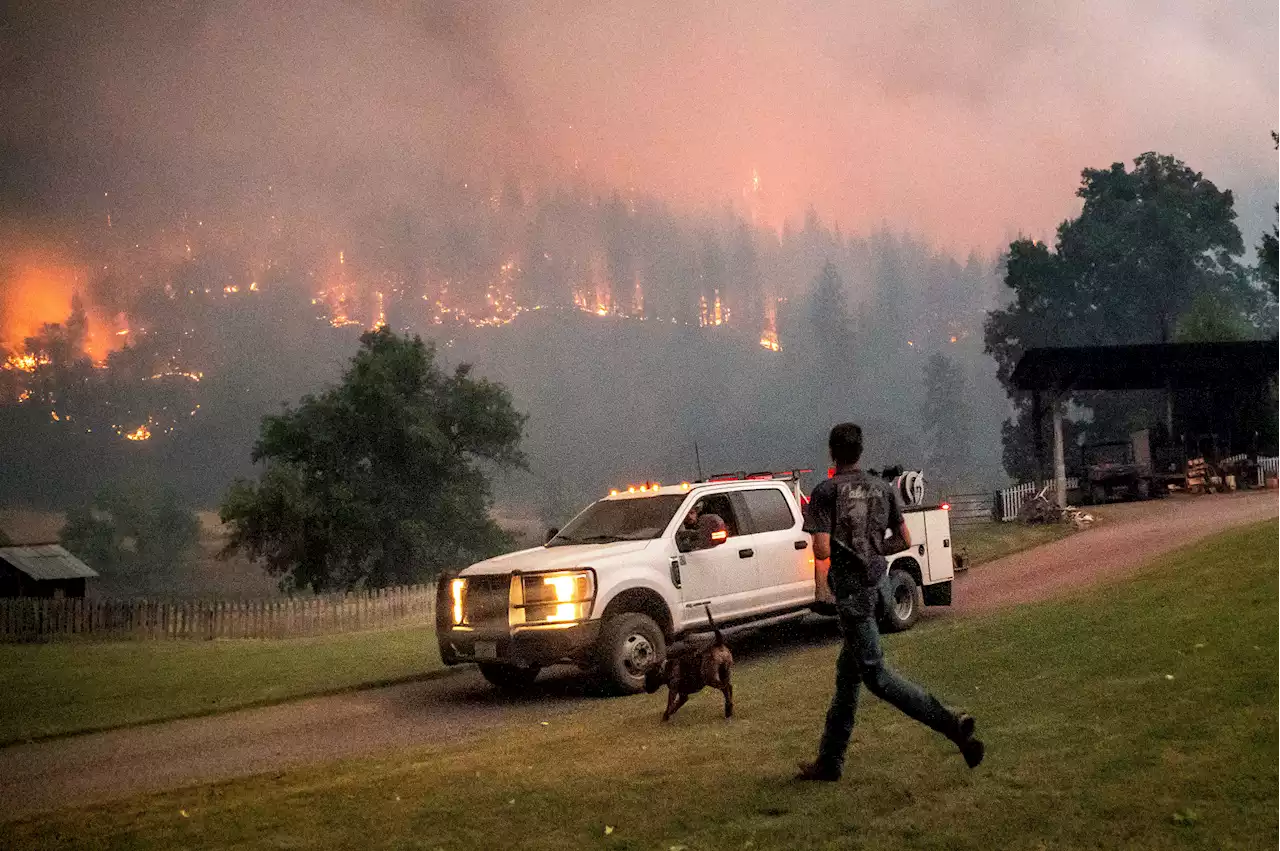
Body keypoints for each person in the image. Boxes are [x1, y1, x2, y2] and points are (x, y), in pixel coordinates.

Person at [797, 423, 984, 782]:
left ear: (832, 453)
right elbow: (904, 538)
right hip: (877, 588)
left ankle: (952, 724)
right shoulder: (882, 488)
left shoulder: (825, 492)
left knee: (877, 678)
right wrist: (871, 550)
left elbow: (821, 549)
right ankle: (829, 762)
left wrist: (842, 557)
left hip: (851, 597)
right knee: (847, 679)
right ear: (860, 451)